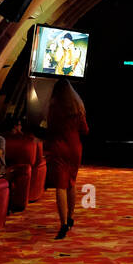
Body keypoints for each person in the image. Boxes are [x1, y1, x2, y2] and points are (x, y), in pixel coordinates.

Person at [43, 80, 89, 240]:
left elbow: (50, 130)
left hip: (59, 147)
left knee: (60, 186)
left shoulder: (54, 108)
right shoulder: (78, 108)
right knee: (71, 183)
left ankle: (63, 224)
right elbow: (85, 130)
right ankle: (70, 217)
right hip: (75, 148)